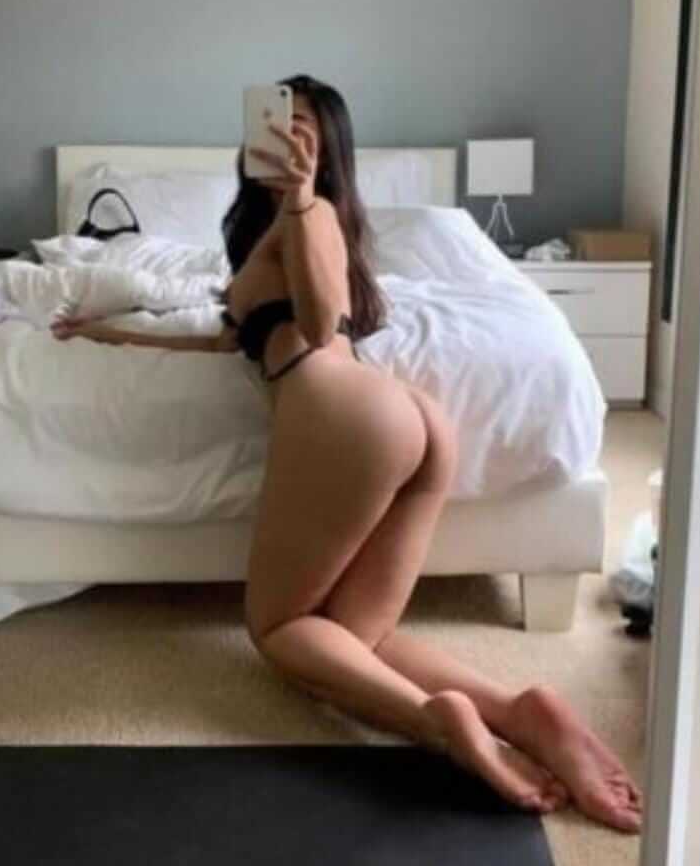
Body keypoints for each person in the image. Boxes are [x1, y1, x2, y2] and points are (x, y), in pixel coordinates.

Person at [53, 74, 642, 833]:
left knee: (278, 628)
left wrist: (302, 200)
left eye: (304, 130)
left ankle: (436, 722)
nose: (286, 138)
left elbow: (321, 315)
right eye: (277, 124)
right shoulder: (267, 230)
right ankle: (519, 712)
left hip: (345, 411)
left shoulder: (314, 216)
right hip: (406, 420)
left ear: (328, 151)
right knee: (354, 636)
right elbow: (233, 336)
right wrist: (114, 334)